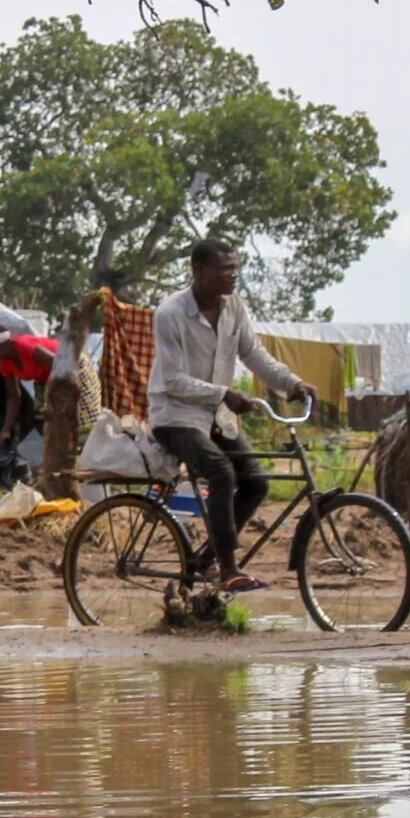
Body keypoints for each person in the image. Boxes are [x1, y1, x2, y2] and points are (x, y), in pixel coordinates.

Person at [148, 240, 316, 595]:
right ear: (199, 270)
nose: (233, 274)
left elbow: (254, 353)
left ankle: (206, 557)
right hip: (175, 415)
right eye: (225, 268)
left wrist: (292, 383)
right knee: (221, 471)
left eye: (235, 267)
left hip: (216, 416)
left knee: (256, 482)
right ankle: (228, 569)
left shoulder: (234, 307)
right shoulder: (170, 314)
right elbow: (172, 380)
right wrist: (223, 393)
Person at [0, 326, 57, 445]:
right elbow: (14, 396)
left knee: (68, 417)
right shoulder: (5, 365)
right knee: (43, 419)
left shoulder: (25, 347)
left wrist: (61, 396)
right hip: (44, 382)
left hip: (71, 371)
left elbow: (59, 364)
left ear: (1, 345)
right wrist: (6, 429)